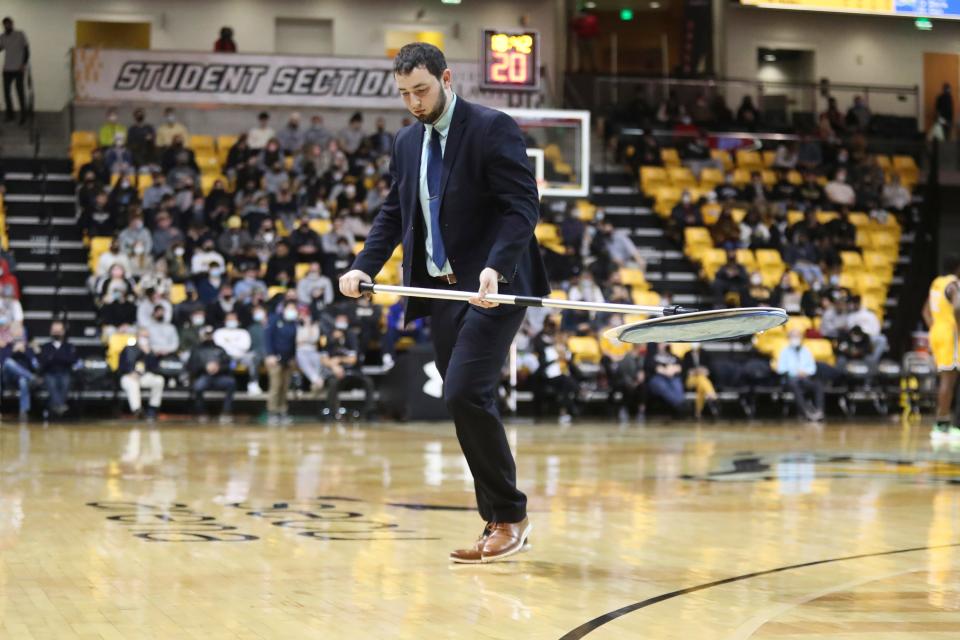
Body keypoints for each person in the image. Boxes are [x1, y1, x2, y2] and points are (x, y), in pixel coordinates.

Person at [339, 43, 548, 564]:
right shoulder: (407, 142)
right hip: (441, 291)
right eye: (405, 93)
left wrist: (496, 267)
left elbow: (522, 207)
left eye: (422, 90)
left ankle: (510, 516)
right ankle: (497, 519)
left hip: (493, 286)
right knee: (468, 401)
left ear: (446, 78)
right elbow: (395, 211)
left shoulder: (491, 127)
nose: (413, 101)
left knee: (462, 392)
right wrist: (365, 264)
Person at [923, 255, 960, 440]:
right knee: (949, 379)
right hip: (949, 333)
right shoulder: (954, 284)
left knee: (946, 379)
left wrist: (934, 327)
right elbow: (958, 307)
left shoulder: (936, 283)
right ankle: (941, 425)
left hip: (937, 331)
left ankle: (943, 422)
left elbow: (925, 311)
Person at [187, 327, 235, 422]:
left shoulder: (220, 349)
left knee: (231, 382)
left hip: (219, 377)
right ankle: (202, 413)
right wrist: (205, 367)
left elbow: (231, 365)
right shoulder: (196, 350)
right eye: (206, 334)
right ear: (202, 336)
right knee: (198, 387)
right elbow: (190, 366)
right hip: (204, 377)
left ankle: (226, 412)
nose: (209, 337)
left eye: (210, 334)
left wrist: (219, 368)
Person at [776, 330, 825, 421]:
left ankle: (819, 411)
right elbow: (780, 369)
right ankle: (806, 412)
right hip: (791, 379)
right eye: (793, 337)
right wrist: (794, 372)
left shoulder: (806, 351)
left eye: (797, 337)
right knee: (794, 385)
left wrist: (805, 372)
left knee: (818, 384)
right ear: (789, 338)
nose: (795, 339)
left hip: (805, 378)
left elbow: (812, 368)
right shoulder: (784, 351)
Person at [264, 300, 298, 424]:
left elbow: (294, 343)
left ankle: (282, 411)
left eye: (294, 308)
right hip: (274, 359)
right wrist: (269, 355)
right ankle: (272, 412)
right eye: (289, 308)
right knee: (275, 386)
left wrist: (293, 357)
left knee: (285, 387)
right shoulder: (274, 320)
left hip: (288, 360)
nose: (292, 310)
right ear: (283, 309)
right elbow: (268, 337)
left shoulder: (294, 324)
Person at [119, 330, 165, 419]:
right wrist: (130, 372)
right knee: (133, 383)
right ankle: (137, 410)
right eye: (143, 336)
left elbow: (155, 369)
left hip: (143, 376)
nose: (145, 339)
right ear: (137, 337)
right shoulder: (128, 348)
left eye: (146, 337)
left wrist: (148, 354)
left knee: (159, 380)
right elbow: (121, 366)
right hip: (128, 377)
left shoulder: (149, 350)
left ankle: (153, 408)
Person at [37, 320, 78, 419]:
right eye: (54, 330)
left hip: (65, 373)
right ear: (50, 331)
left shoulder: (69, 346)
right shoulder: (45, 346)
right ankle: (61, 406)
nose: (56, 332)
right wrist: (60, 357)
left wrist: (53, 357)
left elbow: (72, 360)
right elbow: (43, 362)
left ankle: (55, 407)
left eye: (58, 330)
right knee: (51, 382)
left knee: (65, 381)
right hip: (49, 373)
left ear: (63, 332)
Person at [0, 17, 29, 124]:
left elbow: (26, 50)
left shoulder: (20, 34)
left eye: (9, 24)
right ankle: (10, 115)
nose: (7, 26)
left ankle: (23, 116)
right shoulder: (2, 37)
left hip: (18, 69)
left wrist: (23, 64)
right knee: (6, 93)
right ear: (3, 25)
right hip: (7, 69)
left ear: (12, 24)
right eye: (5, 24)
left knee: (20, 92)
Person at [0, 337, 37, 420]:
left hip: (21, 378)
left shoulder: (28, 350)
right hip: (7, 378)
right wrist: (13, 352)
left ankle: (23, 412)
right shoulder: (5, 349)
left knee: (23, 381)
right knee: (9, 362)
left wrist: (24, 353)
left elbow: (35, 366)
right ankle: (31, 377)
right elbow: (2, 365)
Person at [645, 343, 685, 414]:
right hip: (657, 378)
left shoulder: (673, 356)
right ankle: (679, 405)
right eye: (662, 343)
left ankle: (679, 403)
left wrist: (673, 369)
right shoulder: (653, 356)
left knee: (677, 383)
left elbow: (681, 366)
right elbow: (654, 367)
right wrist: (666, 371)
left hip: (673, 377)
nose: (665, 344)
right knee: (661, 385)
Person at [682, 342, 719, 419]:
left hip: (701, 380)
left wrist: (705, 371)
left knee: (701, 384)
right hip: (690, 380)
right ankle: (712, 395)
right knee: (701, 379)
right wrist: (695, 371)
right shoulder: (687, 355)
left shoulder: (705, 354)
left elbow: (710, 369)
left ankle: (698, 413)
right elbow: (685, 370)